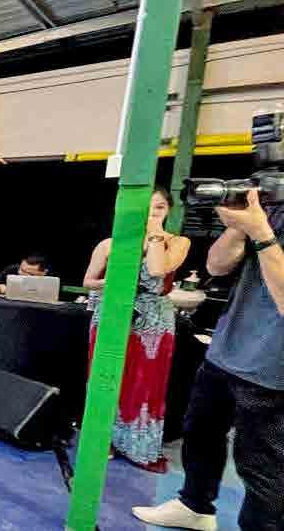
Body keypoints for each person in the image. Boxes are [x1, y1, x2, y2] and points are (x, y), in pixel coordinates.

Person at [133, 188, 284, 530]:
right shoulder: (272, 209)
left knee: (263, 467)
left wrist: (261, 232)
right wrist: (239, 225)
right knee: (200, 432)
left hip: (273, 366)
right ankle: (195, 506)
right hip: (226, 349)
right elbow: (216, 265)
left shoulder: (265, 224)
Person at [83, 187, 191, 473]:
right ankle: (102, 439)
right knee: (105, 377)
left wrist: (154, 234)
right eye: (146, 206)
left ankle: (137, 445)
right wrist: (113, 282)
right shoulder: (110, 243)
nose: (152, 212)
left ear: (168, 210)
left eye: (159, 207)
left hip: (153, 319)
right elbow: (88, 281)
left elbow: (156, 269)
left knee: (145, 382)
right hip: (113, 312)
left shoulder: (178, 242)